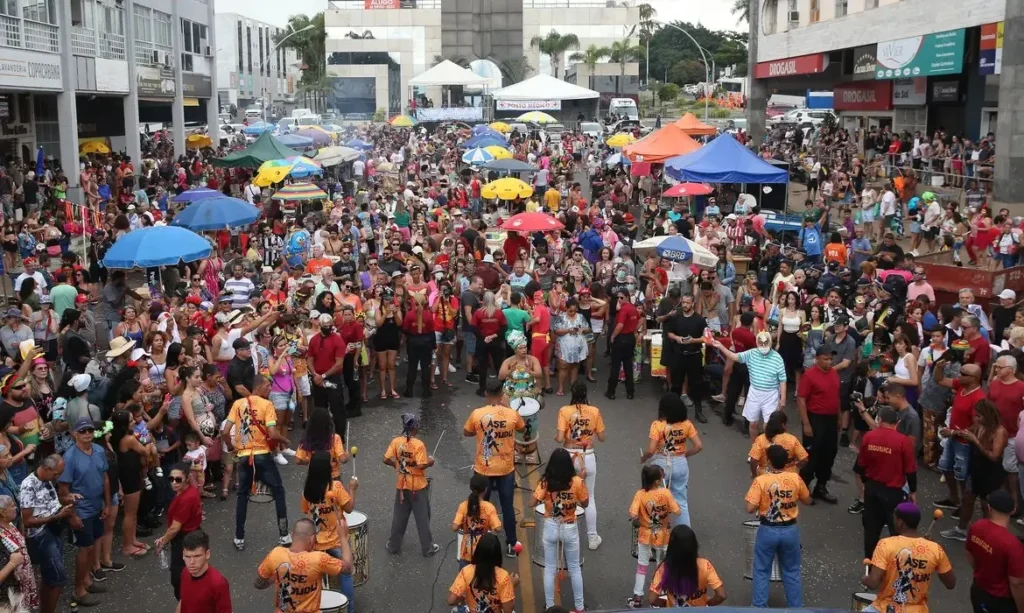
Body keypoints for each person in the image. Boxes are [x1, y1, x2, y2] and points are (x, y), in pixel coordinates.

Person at [222, 375, 291, 551]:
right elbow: (273, 434)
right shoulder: (266, 405)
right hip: (262, 455)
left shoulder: (238, 404)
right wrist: (286, 441)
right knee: (279, 491)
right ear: (258, 386)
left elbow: (225, 431)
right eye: (268, 385)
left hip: (244, 456)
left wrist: (232, 448)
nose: (270, 389)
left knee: (242, 496)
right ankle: (284, 534)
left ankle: (239, 537)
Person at [463, 380, 525, 557]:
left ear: (485, 394)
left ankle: (479, 540)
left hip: (483, 468)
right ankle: (512, 543)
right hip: (506, 469)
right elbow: (521, 429)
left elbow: (467, 432)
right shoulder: (511, 414)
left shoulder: (477, 414)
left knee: (480, 505)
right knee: (507, 506)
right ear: (502, 393)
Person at [745, 444, 812, 607]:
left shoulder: (761, 481)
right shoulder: (795, 478)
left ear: (768, 461)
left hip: (767, 529)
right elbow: (808, 500)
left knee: (761, 570)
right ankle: (796, 608)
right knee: (791, 571)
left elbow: (749, 508)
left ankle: (760, 608)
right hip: (790, 530)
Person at [861, 503, 956, 613]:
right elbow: (950, 583)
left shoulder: (886, 544)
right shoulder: (935, 549)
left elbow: (873, 583)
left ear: (900, 522)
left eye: (895, 519)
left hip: (885, 608)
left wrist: (865, 579)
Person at [58, 418, 111, 608]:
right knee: (84, 549)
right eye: (83, 431)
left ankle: (88, 581)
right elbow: (64, 489)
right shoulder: (70, 457)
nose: (87, 434)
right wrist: (73, 515)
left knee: (94, 544)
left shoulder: (98, 450)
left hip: (97, 506)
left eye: (90, 430)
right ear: (74, 434)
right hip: (82, 509)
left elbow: (104, 478)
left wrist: (106, 504)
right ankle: (78, 590)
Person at [855, 407, 918, 559]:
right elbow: (910, 469)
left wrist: (866, 485)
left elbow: (861, 465)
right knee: (897, 532)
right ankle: (897, 568)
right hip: (894, 493)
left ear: (879, 420)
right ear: (897, 422)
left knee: (871, 531)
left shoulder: (869, 437)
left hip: (872, 489)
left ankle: (869, 568)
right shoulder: (903, 441)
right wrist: (913, 492)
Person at [942, 399, 1009, 542]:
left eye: (979, 416)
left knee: (987, 505)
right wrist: (953, 432)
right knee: (968, 499)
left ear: (988, 415)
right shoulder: (979, 426)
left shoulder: (999, 431)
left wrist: (975, 441)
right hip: (976, 469)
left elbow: (994, 457)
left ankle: (988, 535)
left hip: (991, 473)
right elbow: (966, 432)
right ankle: (961, 530)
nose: (976, 418)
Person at [531, 448, 589, 612]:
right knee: (574, 568)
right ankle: (579, 607)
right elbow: (585, 504)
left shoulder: (546, 482)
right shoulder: (577, 482)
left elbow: (531, 502)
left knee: (549, 569)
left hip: (550, 526)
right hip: (570, 527)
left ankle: (550, 606)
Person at [300, 450, 356, 610]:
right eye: (331, 461)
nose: (333, 463)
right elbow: (350, 508)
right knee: (345, 573)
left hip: (315, 544)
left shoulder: (306, 491)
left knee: (316, 579)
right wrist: (353, 489)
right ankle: (348, 609)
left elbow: (305, 511)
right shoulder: (336, 486)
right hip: (337, 541)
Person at [255, 519, 349, 612]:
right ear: (312, 539)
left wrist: (277, 577)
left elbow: (258, 584)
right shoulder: (318, 559)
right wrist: (343, 538)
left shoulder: (275, 555)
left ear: (292, 536)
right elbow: (348, 569)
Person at [554, 382, 605, 550]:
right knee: (589, 496)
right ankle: (592, 537)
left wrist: (562, 437)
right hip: (587, 456)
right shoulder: (595, 411)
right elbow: (602, 437)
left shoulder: (564, 411)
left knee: (565, 493)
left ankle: (562, 533)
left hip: (568, 456)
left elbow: (560, 438)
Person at [640, 394, 702, 527]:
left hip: (660, 464)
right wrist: (686, 454)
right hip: (680, 463)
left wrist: (644, 458)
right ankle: (684, 534)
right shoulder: (687, 424)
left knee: (656, 500)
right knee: (681, 502)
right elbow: (698, 446)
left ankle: (658, 535)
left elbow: (651, 450)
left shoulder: (657, 425)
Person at [20, 453, 72, 613]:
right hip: (41, 535)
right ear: (46, 468)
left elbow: (51, 502)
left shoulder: (48, 479)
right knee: (59, 578)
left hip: (55, 529)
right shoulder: (28, 485)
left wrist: (68, 499)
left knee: (49, 577)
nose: (58, 477)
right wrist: (56, 516)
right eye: (56, 473)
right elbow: (27, 521)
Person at [711, 331, 787, 441]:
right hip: (754, 393)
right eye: (761, 343)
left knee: (768, 425)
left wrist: (783, 397)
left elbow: (782, 379)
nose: (763, 345)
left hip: (771, 395)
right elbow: (734, 356)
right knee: (753, 424)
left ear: (770, 343)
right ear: (757, 343)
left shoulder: (777, 358)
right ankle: (755, 447)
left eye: (766, 343)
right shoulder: (751, 353)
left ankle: (766, 448)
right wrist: (721, 346)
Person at [932, 360, 986, 512]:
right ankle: (953, 498)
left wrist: (954, 432)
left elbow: (977, 425)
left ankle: (964, 505)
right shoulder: (961, 386)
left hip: (964, 442)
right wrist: (939, 367)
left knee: (961, 475)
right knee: (945, 467)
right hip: (952, 437)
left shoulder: (978, 397)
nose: (959, 376)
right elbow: (939, 379)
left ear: (974, 378)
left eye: (963, 374)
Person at [383, 413, 439, 557]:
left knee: (399, 517)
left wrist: (396, 464)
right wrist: (430, 462)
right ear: (415, 427)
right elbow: (421, 465)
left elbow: (385, 459)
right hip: (417, 487)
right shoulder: (418, 444)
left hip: (402, 485)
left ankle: (393, 546)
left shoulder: (396, 441)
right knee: (423, 519)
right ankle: (428, 548)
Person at [627, 464, 681, 607]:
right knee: (662, 567)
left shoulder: (640, 494)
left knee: (642, 566)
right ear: (657, 481)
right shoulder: (665, 493)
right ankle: (660, 598)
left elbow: (632, 513)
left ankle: (637, 597)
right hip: (663, 536)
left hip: (644, 535)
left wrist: (640, 519)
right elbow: (677, 511)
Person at [965, 490, 1024, 613]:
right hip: (1001, 602)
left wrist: (983, 573)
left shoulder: (977, 526)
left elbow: (969, 553)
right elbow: (1017, 583)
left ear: (989, 507)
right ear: (1013, 510)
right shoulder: (1012, 544)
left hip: (978, 591)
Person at [798, 346, 841, 504]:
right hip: (815, 418)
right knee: (812, 454)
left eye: (831, 359)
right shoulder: (809, 375)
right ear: (817, 359)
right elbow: (801, 399)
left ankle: (821, 486)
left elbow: (836, 395)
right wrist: (806, 423)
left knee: (829, 453)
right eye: (826, 359)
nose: (829, 362)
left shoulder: (834, 373)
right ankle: (803, 487)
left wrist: (839, 418)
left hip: (831, 418)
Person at [153, 463, 202, 601]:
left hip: (186, 540)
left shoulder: (186, 498)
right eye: (171, 479)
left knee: (179, 578)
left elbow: (175, 528)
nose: (174, 483)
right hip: (189, 536)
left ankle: (186, 604)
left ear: (187, 479)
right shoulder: (186, 492)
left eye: (178, 479)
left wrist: (163, 541)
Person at [647, 524, 726, 607]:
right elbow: (721, 595)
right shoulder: (705, 565)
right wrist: (707, 604)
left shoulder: (664, 568)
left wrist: (666, 604)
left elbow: (652, 599)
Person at [987, 354, 1024, 513]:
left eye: (1000, 367)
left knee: (1011, 470)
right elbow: (989, 406)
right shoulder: (994, 383)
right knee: (998, 467)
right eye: (996, 366)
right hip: (994, 432)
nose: (996, 369)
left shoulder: (1021, 387)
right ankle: (1001, 499)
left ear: (1011, 370)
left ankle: (1015, 504)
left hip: (1013, 435)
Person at [446, 533, 518, 613]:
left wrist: (463, 597)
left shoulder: (466, 571)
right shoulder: (503, 576)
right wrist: (511, 586)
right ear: (497, 554)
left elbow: (451, 600)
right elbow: (508, 610)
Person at [661, 294, 705, 419]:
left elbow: (707, 338)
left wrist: (693, 340)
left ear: (693, 304)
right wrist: (677, 338)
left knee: (696, 385)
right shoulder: (676, 318)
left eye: (687, 303)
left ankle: (698, 411)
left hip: (694, 356)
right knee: (676, 385)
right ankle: (672, 412)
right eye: (683, 302)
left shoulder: (700, 320)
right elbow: (669, 333)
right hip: (679, 355)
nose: (685, 305)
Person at [308, 313, 347, 444]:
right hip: (318, 378)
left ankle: (340, 436)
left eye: (329, 326)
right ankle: (321, 436)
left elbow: (339, 364)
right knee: (320, 410)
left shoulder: (338, 340)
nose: (327, 328)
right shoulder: (314, 340)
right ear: (320, 325)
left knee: (337, 408)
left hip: (332, 379)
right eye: (325, 326)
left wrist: (323, 376)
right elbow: (309, 359)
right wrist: (315, 375)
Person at [452, 474, 502, 570]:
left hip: (467, 549)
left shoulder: (463, 506)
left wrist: (463, 524)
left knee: (465, 579)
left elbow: (455, 527)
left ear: (471, 487)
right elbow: (498, 528)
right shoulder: (489, 507)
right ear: (486, 489)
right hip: (483, 549)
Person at [176, 530, 233, 613]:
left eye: (197, 556)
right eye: (187, 556)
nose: (191, 562)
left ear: (207, 554)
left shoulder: (218, 583)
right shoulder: (185, 572)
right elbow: (183, 601)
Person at [747, 411, 808, 477]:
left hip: (766, 476)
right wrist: (797, 465)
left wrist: (754, 475)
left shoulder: (761, 439)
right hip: (789, 477)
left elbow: (753, 460)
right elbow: (804, 459)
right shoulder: (792, 439)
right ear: (783, 425)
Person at [607, 288, 641, 401]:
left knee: (615, 366)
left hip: (621, 338)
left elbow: (620, 325)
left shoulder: (624, 310)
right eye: (618, 298)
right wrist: (633, 330)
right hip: (630, 338)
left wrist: (613, 336)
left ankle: (611, 392)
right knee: (628, 366)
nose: (619, 300)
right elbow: (640, 320)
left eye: (621, 297)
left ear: (627, 297)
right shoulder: (633, 308)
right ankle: (630, 392)